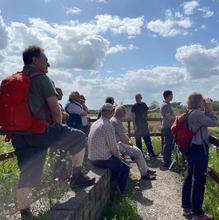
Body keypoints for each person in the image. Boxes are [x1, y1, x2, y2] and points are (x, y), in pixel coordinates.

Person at [11, 45, 95, 218]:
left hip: (19, 135)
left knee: (27, 174)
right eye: (45, 60)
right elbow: (55, 111)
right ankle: (77, 176)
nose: (48, 64)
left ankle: (24, 213)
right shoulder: (42, 79)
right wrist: (58, 124)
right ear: (35, 60)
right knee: (79, 137)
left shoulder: (16, 79)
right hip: (41, 132)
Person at [181, 92, 218, 220]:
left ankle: (187, 206)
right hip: (198, 149)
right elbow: (213, 122)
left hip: (190, 148)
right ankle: (197, 213)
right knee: (199, 180)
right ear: (198, 101)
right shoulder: (196, 114)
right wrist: (211, 109)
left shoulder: (189, 112)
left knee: (189, 175)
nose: (204, 102)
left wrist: (206, 109)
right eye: (203, 100)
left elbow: (204, 122)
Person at [88, 103, 130, 194]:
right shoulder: (108, 126)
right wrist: (118, 156)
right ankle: (119, 193)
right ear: (111, 112)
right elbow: (113, 147)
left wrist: (117, 157)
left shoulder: (95, 123)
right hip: (102, 159)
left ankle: (114, 182)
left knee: (117, 162)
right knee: (125, 168)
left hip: (92, 158)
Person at [110, 105, 157, 180]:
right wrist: (129, 142)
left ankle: (146, 170)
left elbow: (123, 134)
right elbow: (122, 137)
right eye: (124, 111)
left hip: (119, 143)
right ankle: (144, 174)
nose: (125, 112)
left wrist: (129, 140)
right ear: (119, 112)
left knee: (137, 151)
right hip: (118, 144)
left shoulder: (116, 119)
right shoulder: (115, 121)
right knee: (138, 151)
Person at [51, 87, 70, 180]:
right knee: (59, 154)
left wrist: (64, 114)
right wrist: (63, 115)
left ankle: (62, 174)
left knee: (62, 153)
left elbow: (65, 115)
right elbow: (62, 115)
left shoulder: (59, 105)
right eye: (61, 93)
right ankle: (61, 175)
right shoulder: (54, 105)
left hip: (61, 133)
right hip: (57, 134)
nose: (62, 95)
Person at [161, 90, 176, 167]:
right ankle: (167, 162)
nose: (172, 96)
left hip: (168, 127)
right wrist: (177, 118)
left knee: (169, 144)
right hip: (167, 128)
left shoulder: (168, 105)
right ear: (168, 96)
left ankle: (168, 160)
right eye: (171, 95)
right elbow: (169, 117)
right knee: (168, 145)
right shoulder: (166, 106)